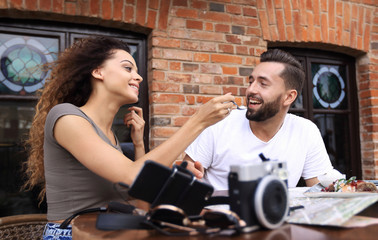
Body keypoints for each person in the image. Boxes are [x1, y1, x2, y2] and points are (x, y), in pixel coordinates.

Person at [23, 36, 235, 238]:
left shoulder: (111, 138)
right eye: (128, 68)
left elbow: (140, 204)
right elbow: (132, 176)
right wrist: (198, 122)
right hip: (71, 235)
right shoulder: (66, 117)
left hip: (111, 231)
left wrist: (141, 146)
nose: (139, 76)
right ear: (98, 72)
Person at [183, 49, 342, 191]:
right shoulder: (219, 122)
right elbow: (188, 175)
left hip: (276, 221)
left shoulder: (305, 131)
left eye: (263, 84)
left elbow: (322, 191)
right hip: (221, 220)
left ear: (289, 97)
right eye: (251, 81)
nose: (251, 90)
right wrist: (188, 174)